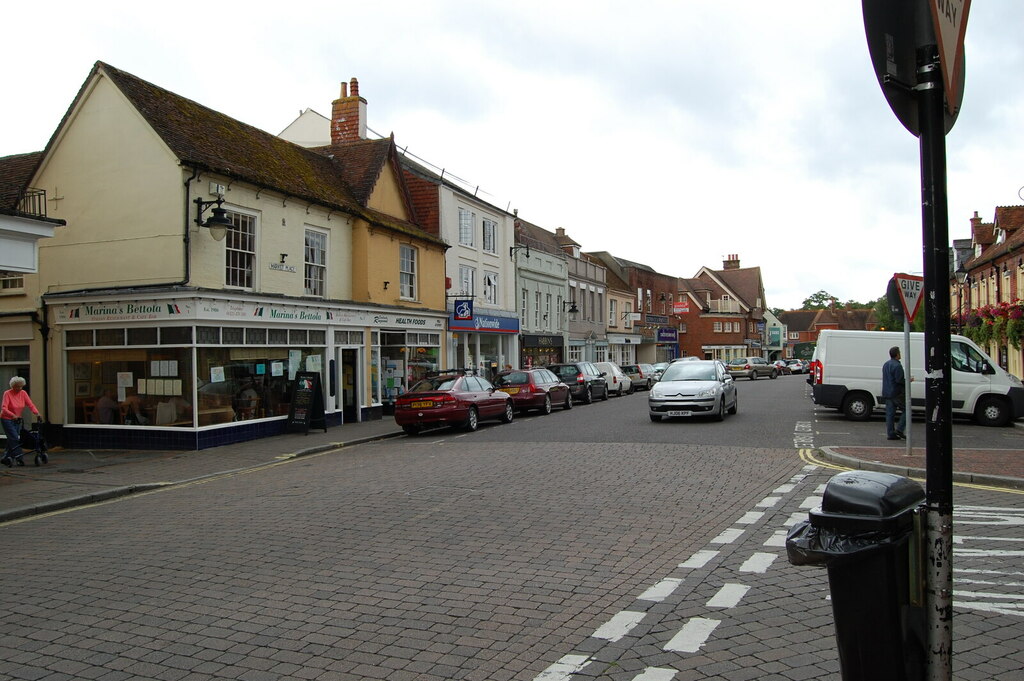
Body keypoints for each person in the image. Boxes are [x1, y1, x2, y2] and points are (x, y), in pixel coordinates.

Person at [2, 376, 41, 467]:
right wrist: (13, 415)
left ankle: (5, 458)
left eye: (21, 386)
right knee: (15, 438)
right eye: (17, 386)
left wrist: (37, 413)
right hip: (7, 419)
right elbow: (4, 408)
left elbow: (30, 404)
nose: (19, 388)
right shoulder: (7, 393)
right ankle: (19, 459)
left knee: (11, 439)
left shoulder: (23, 393)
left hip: (17, 419)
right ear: (12, 386)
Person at [882, 346, 907, 440]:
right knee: (907, 411)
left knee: (890, 414)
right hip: (896, 393)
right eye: (899, 352)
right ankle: (900, 429)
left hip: (887, 392)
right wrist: (908, 380)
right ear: (897, 354)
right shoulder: (897, 366)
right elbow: (899, 380)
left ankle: (890, 433)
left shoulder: (886, 364)